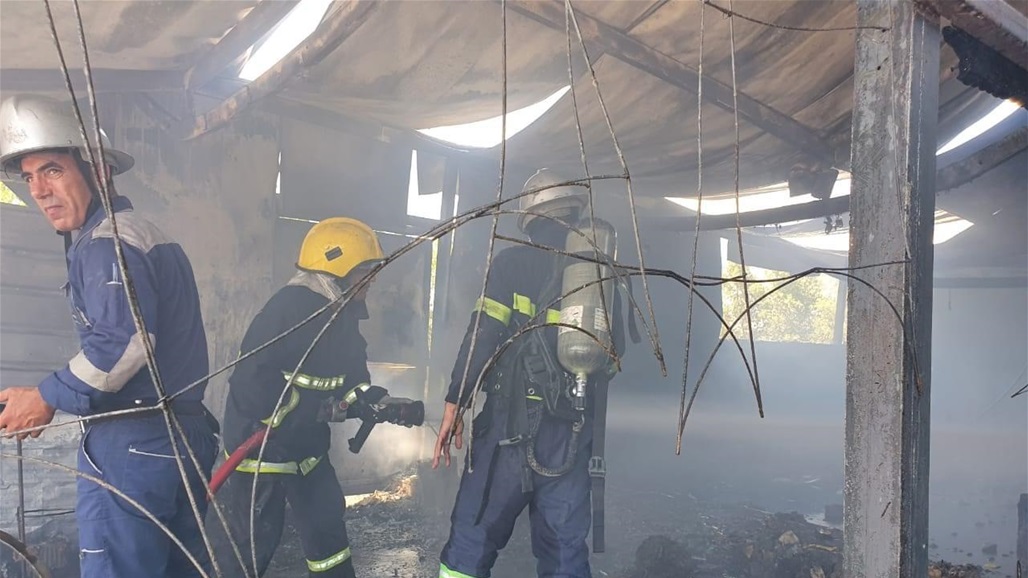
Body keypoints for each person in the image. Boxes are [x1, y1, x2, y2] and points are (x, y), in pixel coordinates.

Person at [0, 94, 218, 576]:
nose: (38, 190)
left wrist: (46, 396)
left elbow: (124, 345)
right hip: (185, 435)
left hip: (133, 444)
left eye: (53, 170)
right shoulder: (144, 233)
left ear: (98, 169)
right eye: (29, 177)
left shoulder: (106, 243)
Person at [433, 169, 626, 578]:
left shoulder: (512, 264)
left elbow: (481, 337)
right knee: (564, 549)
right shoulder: (600, 275)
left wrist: (456, 401)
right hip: (572, 430)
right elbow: (613, 359)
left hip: (510, 428)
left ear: (530, 218)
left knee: (474, 534)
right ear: (574, 212)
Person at [210, 217, 391, 578]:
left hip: (307, 449)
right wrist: (307, 411)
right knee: (246, 550)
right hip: (261, 452)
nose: (371, 282)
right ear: (339, 269)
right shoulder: (289, 310)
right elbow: (251, 381)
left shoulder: (342, 315)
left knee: (329, 538)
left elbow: (352, 375)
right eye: (365, 272)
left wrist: (371, 399)